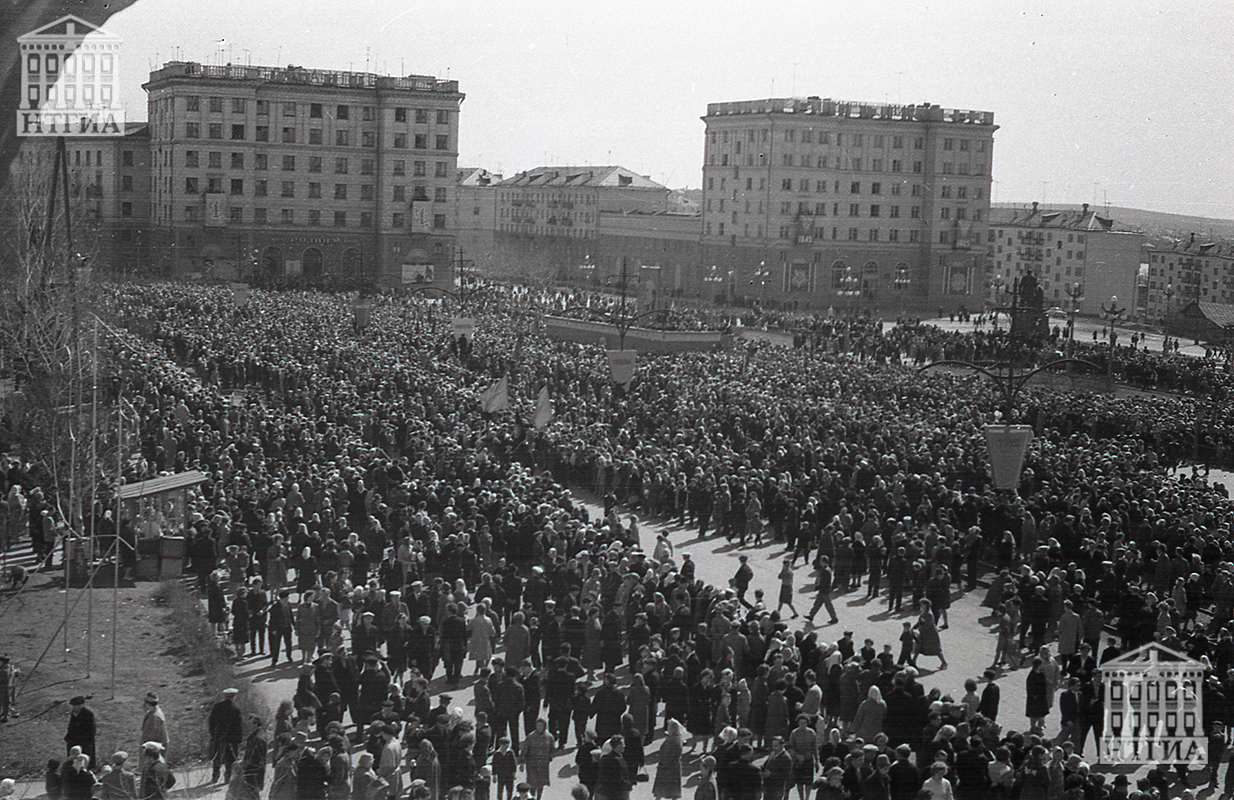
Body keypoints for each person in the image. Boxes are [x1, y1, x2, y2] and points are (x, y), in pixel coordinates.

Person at [209, 688, 244, 784]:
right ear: (234, 697)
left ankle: (215, 777)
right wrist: (239, 740)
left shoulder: (217, 707)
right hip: (231, 739)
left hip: (218, 737)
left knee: (217, 758)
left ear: (225, 696)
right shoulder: (236, 710)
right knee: (230, 759)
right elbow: (238, 727)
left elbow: (211, 722)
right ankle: (227, 778)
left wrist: (213, 735)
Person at [519, 718, 556, 800]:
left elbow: (552, 749)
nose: (539, 727)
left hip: (543, 764)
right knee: (532, 783)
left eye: (541, 725)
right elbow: (524, 749)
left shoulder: (549, 737)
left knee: (541, 784)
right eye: (538, 725)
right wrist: (522, 762)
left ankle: (539, 798)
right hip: (532, 763)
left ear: (544, 726)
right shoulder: (530, 736)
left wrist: (550, 757)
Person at [652, 719, 683, 800]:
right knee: (673, 790)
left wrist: (662, 763)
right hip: (674, 767)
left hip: (667, 768)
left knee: (661, 789)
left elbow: (668, 755)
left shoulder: (672, 740)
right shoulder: (677, 738)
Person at [594, 735, 633, 800]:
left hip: (607, 792)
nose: (624, 745)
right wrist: (629, 784)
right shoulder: (616, 760)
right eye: (622, 743)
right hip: (616, 793)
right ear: (617, 746)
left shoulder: (608, 758)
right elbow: (619, 778)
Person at [65, 696, 96, 767]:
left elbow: (91, 730)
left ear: (81, 705)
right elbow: (71, 726)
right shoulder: (73, 713)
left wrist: (86, 740)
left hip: (85, 741)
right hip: (74, 739)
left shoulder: (88, 714)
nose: (74, 707)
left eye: (76, 706)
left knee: (84, 758)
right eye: (73, 706)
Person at [806, 556, 839, 625]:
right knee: (818, 603)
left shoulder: (826, 571)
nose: (820, 563)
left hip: (824, 590)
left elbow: (823, 581)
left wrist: (817, 587)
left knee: (828, 604)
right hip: (823, 589)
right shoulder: (826, 569)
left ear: (824, 562)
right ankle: (811, 615)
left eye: (821, 561)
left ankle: (834, 618)